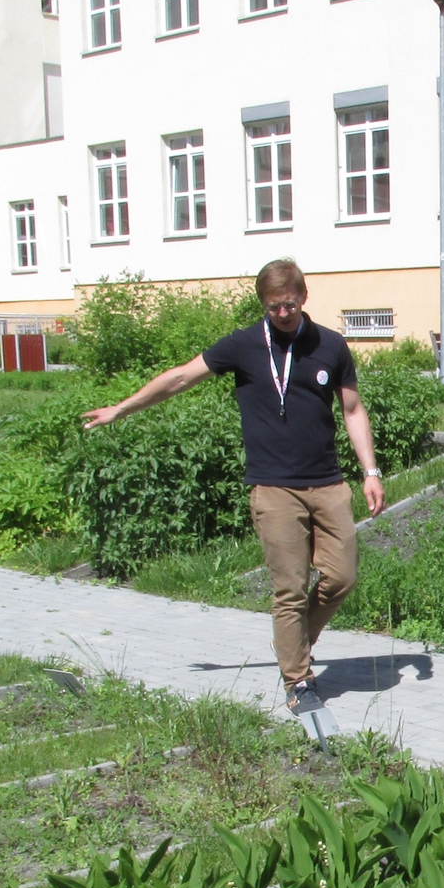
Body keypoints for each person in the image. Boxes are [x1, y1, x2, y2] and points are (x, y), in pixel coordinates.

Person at [81, 258, 386, 718]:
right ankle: (298, 680)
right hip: (273, 488)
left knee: (342, 577)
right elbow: (181, 377)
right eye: (273, 306)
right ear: (263, 304)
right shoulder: (243, 345)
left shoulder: (330, 345)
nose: (282, 313)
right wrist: (121, 408)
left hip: (327, 484)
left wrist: (370, 471)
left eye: (289, 304)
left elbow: (353, 409)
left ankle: (292, 641)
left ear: (304, 297)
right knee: (289, 590)